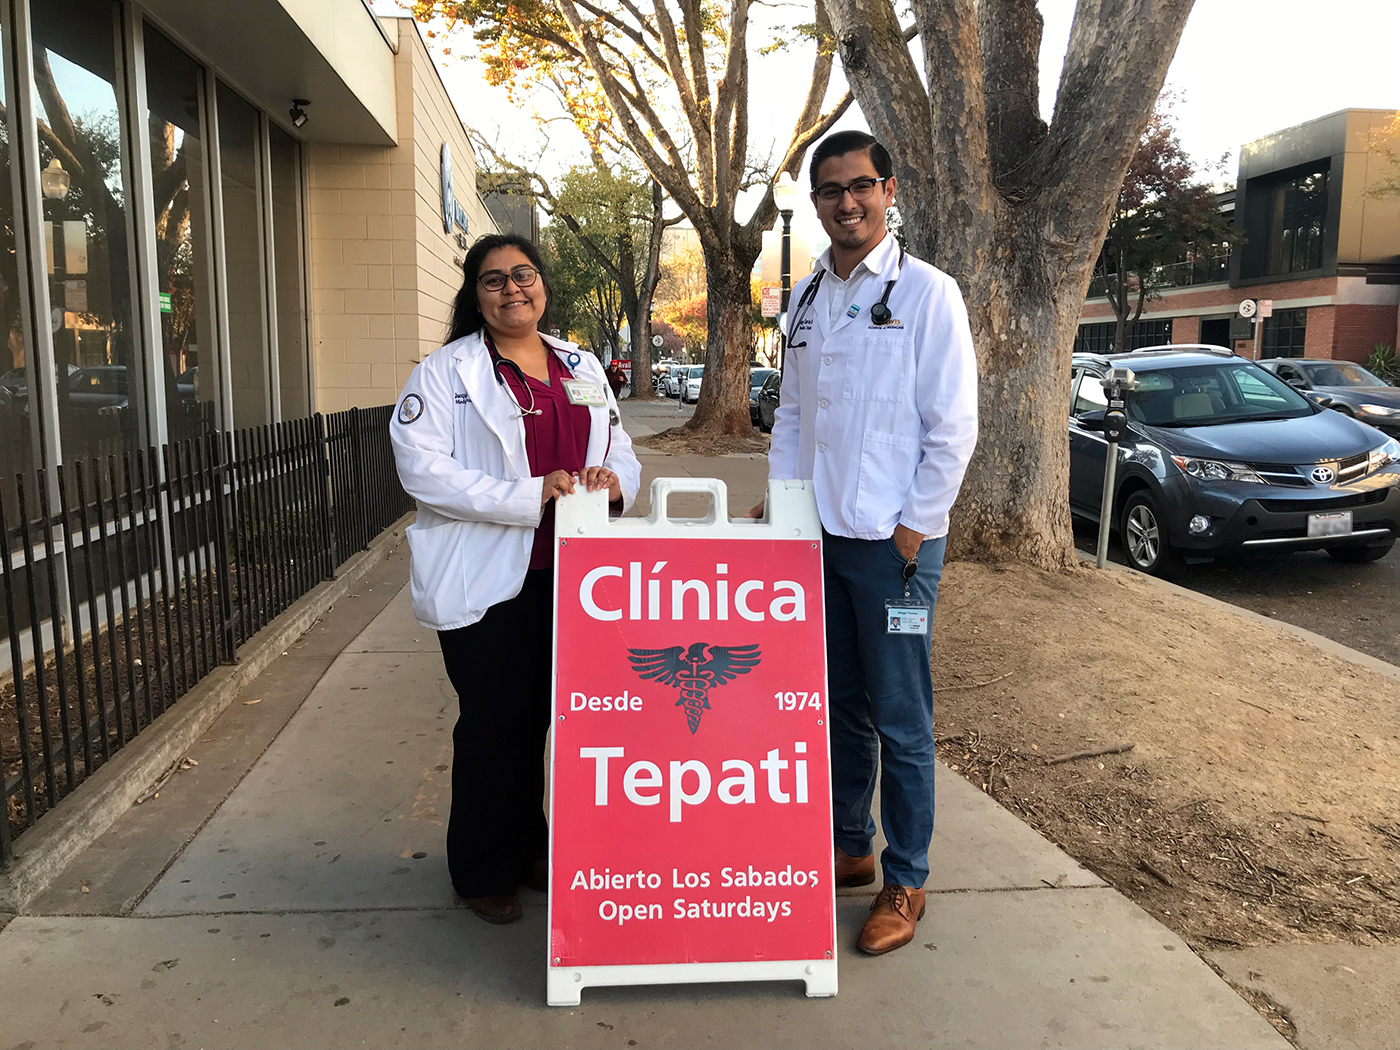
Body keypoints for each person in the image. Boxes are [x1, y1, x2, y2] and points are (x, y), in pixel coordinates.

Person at [751, 131, 978, 955]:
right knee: (837, 703)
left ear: (889, 190)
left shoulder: (927, 294)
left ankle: (907, 877)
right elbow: (795, 417)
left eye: (862, 186)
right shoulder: (808, 298)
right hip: (820, 540)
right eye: (831, 190)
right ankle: (851, 844)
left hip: (892, 548)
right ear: (816, 202)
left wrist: (915, 528)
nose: (847, 202)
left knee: (900, 718)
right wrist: (783, 511)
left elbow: (952, 426)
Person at [390, 233, 642, 925]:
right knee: (493, 724)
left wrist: (614, 478)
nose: (512, 289)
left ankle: (531, 845)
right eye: (494, 280)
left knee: (545, 718)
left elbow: (616, 441)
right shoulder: (446, 374)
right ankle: (480, 869)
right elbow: (423, 469)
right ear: (476, 296)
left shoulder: (578, 362)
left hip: (575, 575)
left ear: (543, 284)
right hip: (489, 574)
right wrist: (529, 494)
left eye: (523, 274)